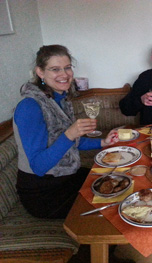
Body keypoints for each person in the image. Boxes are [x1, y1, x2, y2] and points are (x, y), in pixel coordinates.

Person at [13, 45, 119, 219]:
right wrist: (69, 134)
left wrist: (103, 142)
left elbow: (73, 142)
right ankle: (95, 244)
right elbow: (39, 166)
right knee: (110, 210)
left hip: (67, 177)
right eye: (55, 69)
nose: (64, 74)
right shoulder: (29, 107)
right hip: (43, 192)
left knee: (116, 181)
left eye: (67, 67)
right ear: (40, 72)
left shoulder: (59, 98)